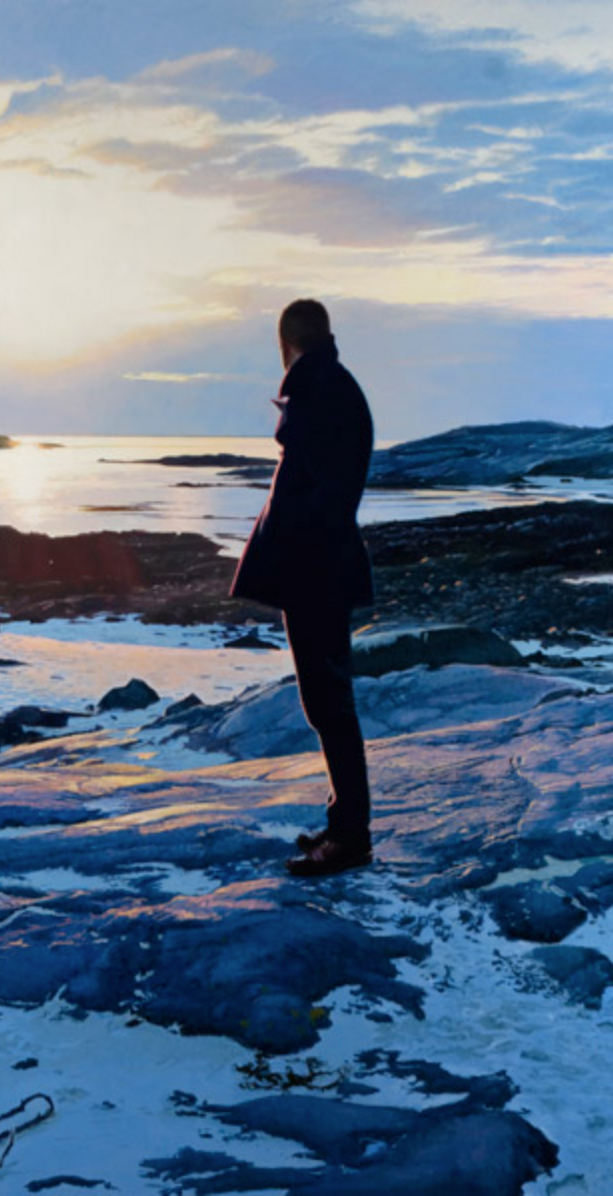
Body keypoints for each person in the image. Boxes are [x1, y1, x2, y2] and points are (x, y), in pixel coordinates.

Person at [231, 298, 375, 877]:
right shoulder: (330, 385)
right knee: (326, 702)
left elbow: (326, 495)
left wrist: (291, 547)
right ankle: (345, 824)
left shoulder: (319, 391)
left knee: (329, 702)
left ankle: (351, 837)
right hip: (318, 568)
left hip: (316, 571)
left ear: (284, 344)